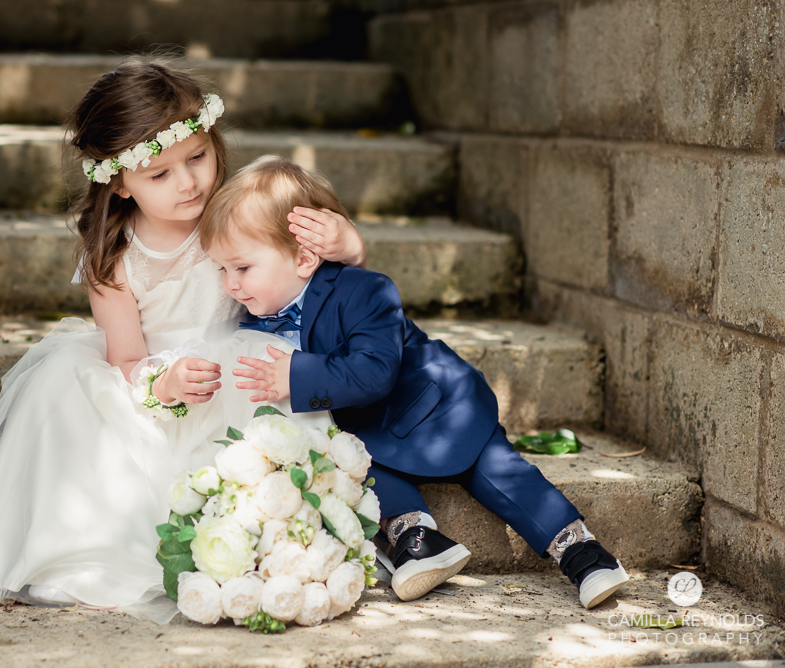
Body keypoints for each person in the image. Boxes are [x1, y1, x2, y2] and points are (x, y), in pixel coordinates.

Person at [0, 60, 366, 617]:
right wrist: (166, 383)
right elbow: (126, 359)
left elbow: (317, 278)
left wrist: (348, 248)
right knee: (66, 387)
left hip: (244, 370)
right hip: (163, 393)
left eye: (197, 157)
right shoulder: (115, 259)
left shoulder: (244, 210)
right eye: (159, 174)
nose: (190, 182)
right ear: (119, 182)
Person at [199, 155, 630, 610]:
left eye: (242, 268)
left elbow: (375, 370)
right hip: (363, 430)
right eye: (221, 270)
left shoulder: (365, 290)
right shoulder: (251, 318)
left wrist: (296, 375)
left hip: (433, 408)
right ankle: (419, 540)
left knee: (500, 473)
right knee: (352, 465)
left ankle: (582, 552)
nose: (230, 285)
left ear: (305, 257)